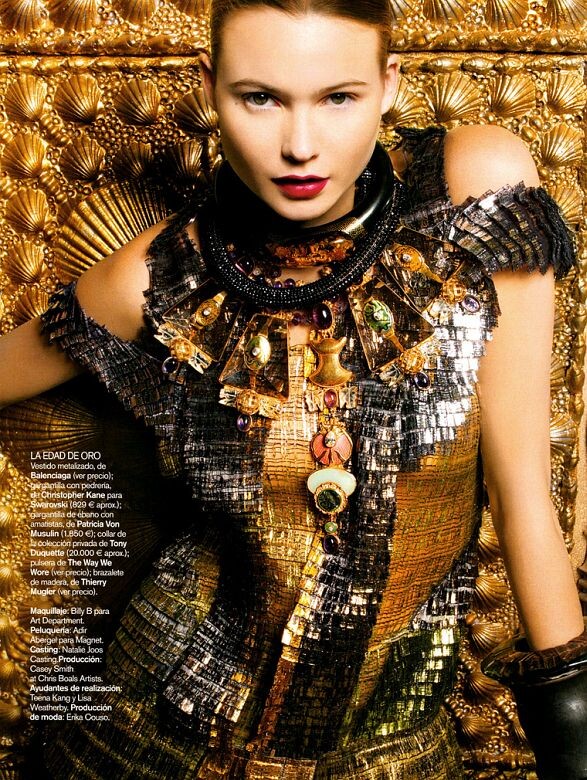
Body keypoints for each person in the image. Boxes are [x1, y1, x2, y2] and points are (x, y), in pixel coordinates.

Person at [1, 0, 586, 777]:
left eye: (337, 97)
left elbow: (521, 494)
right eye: (260, 98)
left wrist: (571, 729)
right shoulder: (154, 276)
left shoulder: (473, 191)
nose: (300, 145)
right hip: (152, 737)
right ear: (210, 88)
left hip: (392, 747)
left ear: (388, 84)